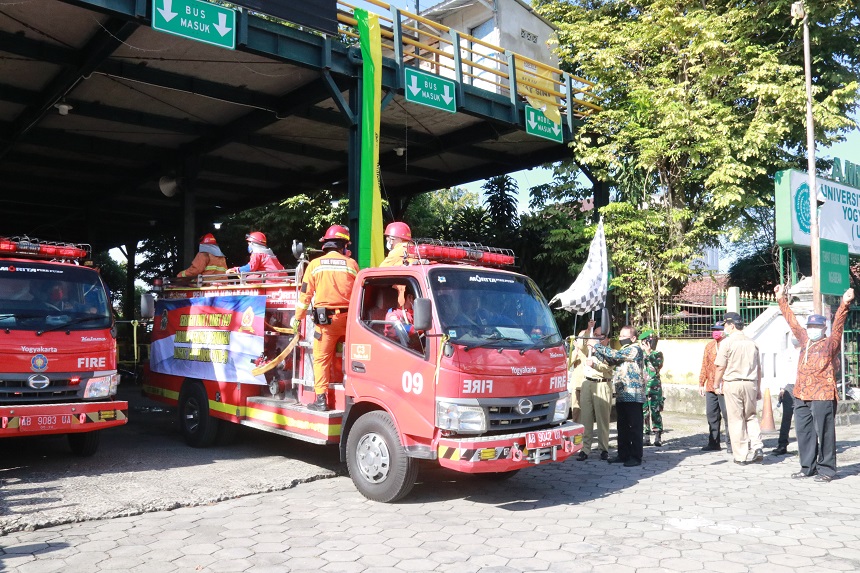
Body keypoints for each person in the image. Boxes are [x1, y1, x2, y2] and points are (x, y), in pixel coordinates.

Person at [775, 284, 853, 482]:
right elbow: (792, 322)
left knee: (825, 432)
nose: (812, 330)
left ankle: (826, 469)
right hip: (801, 394)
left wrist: (844, 303)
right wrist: (781, 300)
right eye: (810, 327)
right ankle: (807, 467)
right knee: (804, 432)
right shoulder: (804, 340)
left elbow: (838, 324)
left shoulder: (830, 343)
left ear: (823, 328)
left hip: (823, 395)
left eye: (816, 327)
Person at [291, 225, 359, 412]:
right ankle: (353, 397)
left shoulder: (314, 266)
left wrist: (297, 318)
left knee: (321, 359)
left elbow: (305, 296)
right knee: (352, 357)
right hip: (348, 321)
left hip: (325, 322)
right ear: (343, 245)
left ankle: (321, 400)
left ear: (326, 245)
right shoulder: (351, 264)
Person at [590, 325, 645, 467]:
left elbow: (615, 355)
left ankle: (635, 456)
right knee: (622, 426)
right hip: (622, 393)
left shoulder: (635, 349)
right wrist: (595, 352)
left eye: (624, 336)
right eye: (620, 336)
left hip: (634, 394)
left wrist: (597, 345)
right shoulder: (623, 351)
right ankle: (623, 454)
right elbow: (610, 360)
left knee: (635, 427)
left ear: (633, 338)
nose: (620, 339)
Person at [714, 312, 763, 465]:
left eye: (725, 325)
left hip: (733, 383)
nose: (724, 329)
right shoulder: (752, 343)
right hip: (751, 383)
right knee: (751, 416)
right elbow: (759, 369)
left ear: (731, 325)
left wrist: (716, 384)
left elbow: (720, 366)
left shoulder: (727, 343)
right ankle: (757, 446)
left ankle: (741, 456)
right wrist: (759, 388)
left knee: (736, 419)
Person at [575, 322, 613, 461]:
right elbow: (579, 345)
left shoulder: (609, 350)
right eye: (595, 336)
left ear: (607, 338)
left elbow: (608, 366)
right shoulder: (589, 348)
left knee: (603, 419)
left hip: (602, 384)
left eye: (599, 336)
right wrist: (588, 329)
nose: (596, 339)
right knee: (586, 418)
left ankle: (604, 449)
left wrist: (595, 364)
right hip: (587, 384)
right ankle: (585, 449)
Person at [699, 322, 731, 453]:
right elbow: (705, 365)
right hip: (711, 386)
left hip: (725, 385)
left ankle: (731, 444)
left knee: (727, 414)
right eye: (714, 330)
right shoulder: (710, 346)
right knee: (711, 414)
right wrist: (701, 383)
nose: (715, 332)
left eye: (718, 330)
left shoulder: (729, 345)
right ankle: (714, 443)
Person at [773, 337, 800, 456]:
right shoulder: (787, 353)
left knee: (804, 418)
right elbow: (782, 371)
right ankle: (782, 444)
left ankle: (809, 445)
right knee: (786, 418)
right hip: (789, 387)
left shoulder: (807, 351)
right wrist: (781, 388)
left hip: (803, 385)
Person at [640, 330, 664, 447]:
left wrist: (649, 353)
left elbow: (657, 365)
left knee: (655, 411)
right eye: (647, 341)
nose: (649, 342)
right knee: (644, 412)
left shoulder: (657, 353)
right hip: (643, 387)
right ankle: (646, 435)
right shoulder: (639, 353)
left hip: (654, 387)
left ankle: (658, 434)